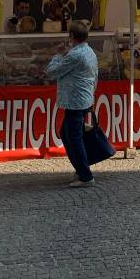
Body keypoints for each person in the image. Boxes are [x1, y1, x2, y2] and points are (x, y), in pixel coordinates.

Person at [46, 20, 99, 188]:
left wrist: (59, 54)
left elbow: (52, 72)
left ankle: (85, 175)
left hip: (75, 102)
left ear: (71, 36)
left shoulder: (75, 55)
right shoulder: (89, 51)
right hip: (85, 99)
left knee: (73, 138)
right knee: (70, 134)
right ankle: (81, 167)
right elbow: (96, 75)